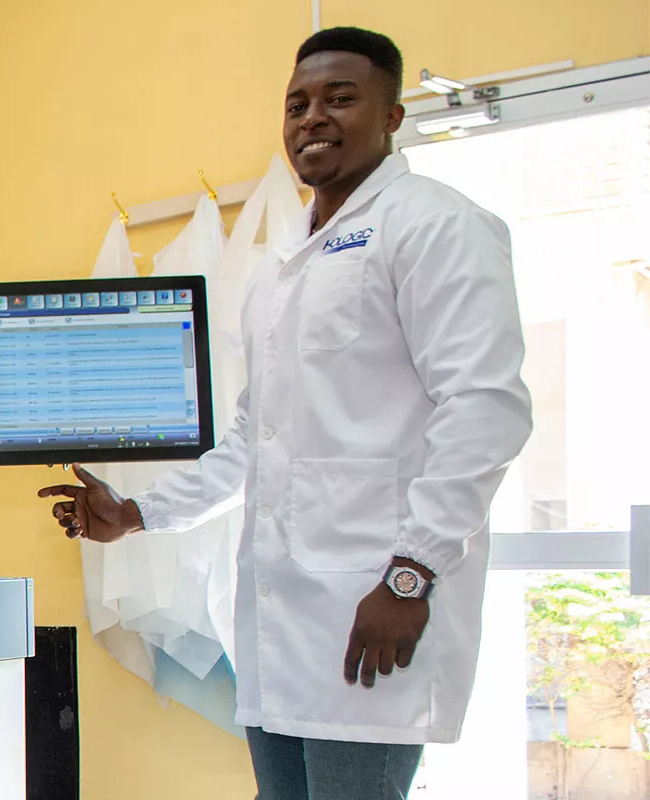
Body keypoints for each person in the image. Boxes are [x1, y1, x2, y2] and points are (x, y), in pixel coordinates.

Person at [39, 27, 531, 799]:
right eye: (298, 103)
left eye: (341, 98)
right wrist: (138, 513)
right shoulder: (280, 268)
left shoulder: (435, 225)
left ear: (393, 116)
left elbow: (485, 410)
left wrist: (412, 573)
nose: (313, 118)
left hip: (372, 603)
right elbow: (252, 441)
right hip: (276, 620)